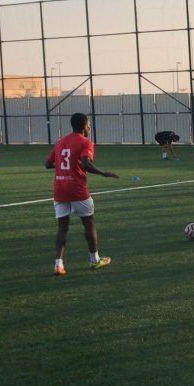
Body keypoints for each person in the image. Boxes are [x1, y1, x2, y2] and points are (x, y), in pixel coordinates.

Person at [46, 113, 118, 276]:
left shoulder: (61, 142)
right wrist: (103, 173)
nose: (89, 127)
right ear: (84, 125)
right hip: (77, 189)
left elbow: (47, 164)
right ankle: (94, 260)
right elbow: (86, 163)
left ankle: (59, 264)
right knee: (89, 223)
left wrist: (63, 168)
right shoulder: (86, 142)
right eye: (89, 125)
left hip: (59, 189)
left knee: (62, 228)